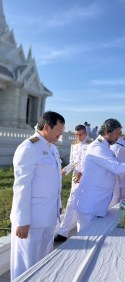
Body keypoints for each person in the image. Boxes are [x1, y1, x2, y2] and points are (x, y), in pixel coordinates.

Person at [74, 118, 125, 231]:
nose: (119, 137)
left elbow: (119, 164)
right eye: (117, 134)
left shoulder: (105, 147)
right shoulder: (97, 147)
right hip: (90, 204)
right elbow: (116, 167)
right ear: (107, 131)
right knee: (87, 239)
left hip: (97, 203)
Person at [10, 111, 65, 281]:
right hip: (31, 220)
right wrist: (21, 221)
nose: (61, 134)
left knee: (43, 264)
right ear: (46, 127)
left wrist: (58, 204)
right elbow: (21, 186)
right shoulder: (29, 147)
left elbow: (54, 181)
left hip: (48, 217)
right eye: (59, 129)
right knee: (26, 266)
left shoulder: (51, 148)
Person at [54, 125, 89, 242]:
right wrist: (65, 170)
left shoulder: (91, 146)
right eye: (77, 134)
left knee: (82, 206)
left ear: (86, 134)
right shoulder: (74, 145)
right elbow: (73, 162)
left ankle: (83, 233)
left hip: (87, 180)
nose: (78, 137)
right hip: (75, 179)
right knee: (70, 205)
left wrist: (82, 174)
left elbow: (91, 165)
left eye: (81, 134)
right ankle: (63, 233)